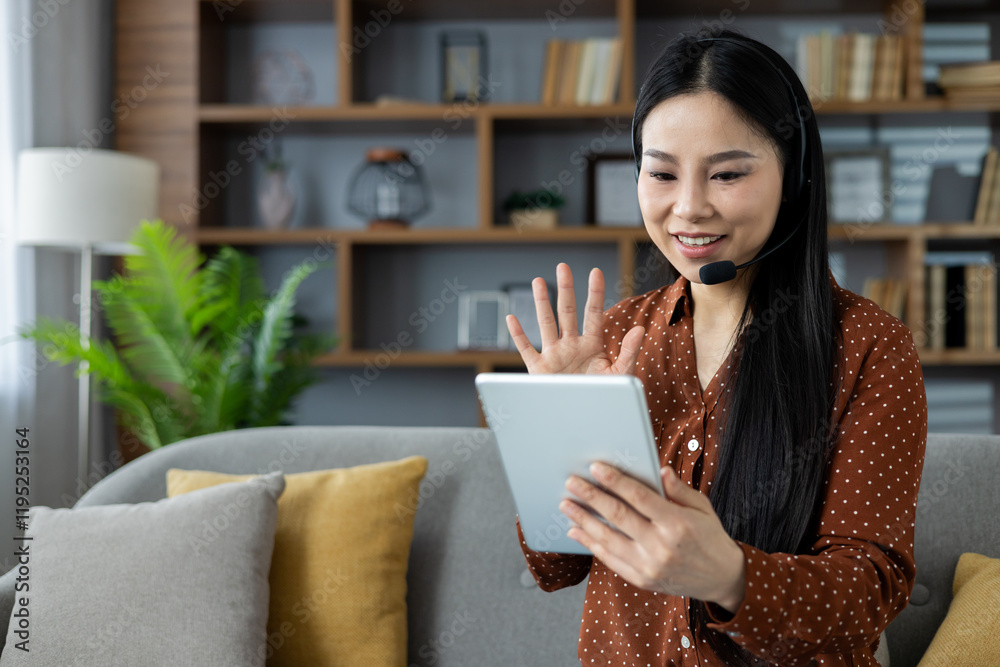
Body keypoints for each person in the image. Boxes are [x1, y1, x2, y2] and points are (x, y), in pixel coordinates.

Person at [505, 29, 927, 667]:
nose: (689, 208)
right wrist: (556, 438)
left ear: (794, 174)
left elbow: (869, 592)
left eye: (727, 173)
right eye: (662, 174)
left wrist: (727, 574)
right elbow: (553, 566)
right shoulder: (616, 337)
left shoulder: (869, 346)